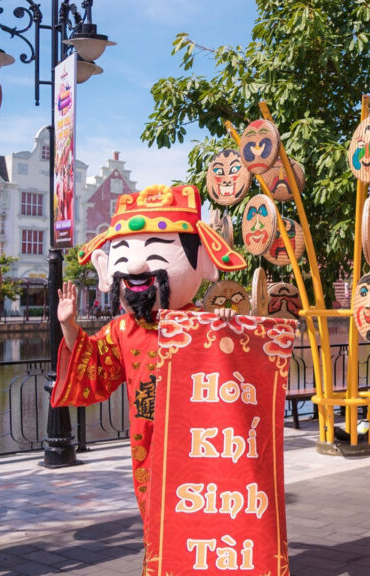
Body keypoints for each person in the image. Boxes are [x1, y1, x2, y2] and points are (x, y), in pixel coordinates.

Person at [51, 185, 245, 550]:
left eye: (155, 253)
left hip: (202, 443)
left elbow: (239, 370)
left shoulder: (200, 323)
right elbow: (94, 365)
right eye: (126, 255)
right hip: (149, 444)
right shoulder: (123, 329)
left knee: (206, 519)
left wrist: (227, 324)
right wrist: (68, 326)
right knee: (157, 522)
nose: (138, 267)